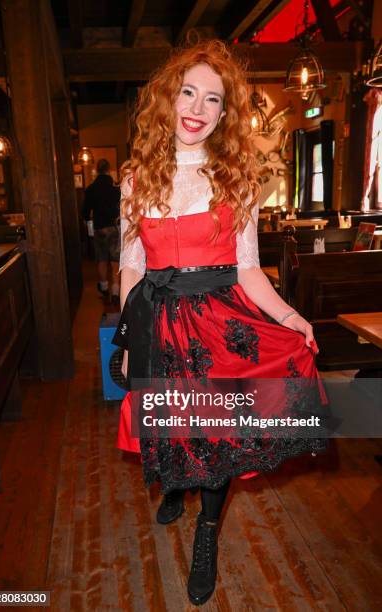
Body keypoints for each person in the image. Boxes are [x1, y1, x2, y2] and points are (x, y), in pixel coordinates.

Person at [113, 40, 328, 606]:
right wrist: (130, 341)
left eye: (213, 99)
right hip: (159, 323)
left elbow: (249, 269)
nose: (198, 108)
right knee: (170, 425)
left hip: (219, 326)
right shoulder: (136, 178)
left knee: (219, 438)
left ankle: (207, 529)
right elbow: (131, 267)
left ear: (225, 113)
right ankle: (174, 489)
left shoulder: (238, 179)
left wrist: (289, 315)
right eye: (189, 92)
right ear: (168, 97)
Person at [82, 158, 121, 304]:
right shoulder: (115, 189)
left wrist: (87, 220)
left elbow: (85, 211)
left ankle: (104, 288)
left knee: (102, 259)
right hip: (114, 227)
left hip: (99, 228)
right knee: (115, 260)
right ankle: (116, 290)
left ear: (97, 170)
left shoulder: (91, 189)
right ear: (108, 170)